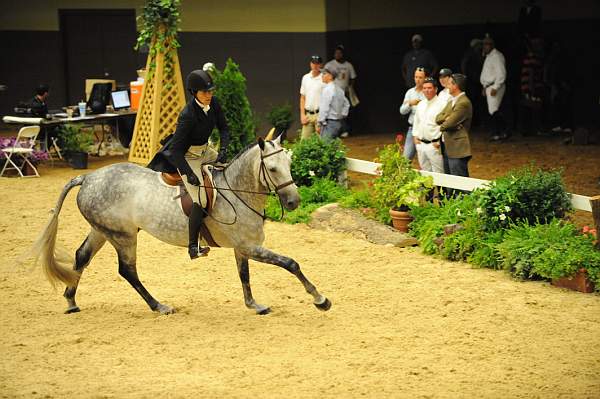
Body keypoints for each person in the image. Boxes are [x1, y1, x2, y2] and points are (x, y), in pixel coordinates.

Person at [147, 70, 229, 260]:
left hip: (205, 150)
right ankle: (193, 246)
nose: (209, 95)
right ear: (194, 93)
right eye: (205, 92)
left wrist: (223, 149)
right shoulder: (187, 115)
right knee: (199, 200)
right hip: (188, 156)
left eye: (211, 91)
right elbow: (176, 151)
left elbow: (224, 128)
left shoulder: (213, 103)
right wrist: (188, 173)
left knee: (228, 171)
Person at [436, 74, 473, 177]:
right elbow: (438, 118)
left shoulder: (463, 102)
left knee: (459, 180)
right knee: (450, 179)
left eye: (449, 83)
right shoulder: (452, 100)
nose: (447, 85)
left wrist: (446, 122)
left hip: (457, 148)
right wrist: (447, 119)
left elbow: (446, 125)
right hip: (447, 145)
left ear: (455, 85)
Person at [413, 78, 446, 173]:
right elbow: (417, 121)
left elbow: (445, 124)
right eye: (424, 88)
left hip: (434, 145)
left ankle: (442, 188)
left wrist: (439, 141)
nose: (426, 90)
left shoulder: (442, 104)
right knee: (425, 173)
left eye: (429, 88)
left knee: (439, 174)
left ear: (435, 89)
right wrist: (415, 136)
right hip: (420, 144)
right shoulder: (421, 104)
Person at [324, 45, 357, 138]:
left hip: (344, 92)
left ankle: (345, 130)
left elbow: (353, 77)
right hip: (332, 93)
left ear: (342, 54)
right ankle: (338, 130)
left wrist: (349, 87)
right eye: (336, 53)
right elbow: (324, 76)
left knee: (345, 110)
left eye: (339, 53)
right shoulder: (330, 65)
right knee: (333, 112)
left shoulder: (348, 65)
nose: (337, 55)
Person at [480, 35, 508, 141]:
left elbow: (501, 73)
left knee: (494, 110)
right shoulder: (489, 56)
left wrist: (496, 87)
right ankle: (500, 132)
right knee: (492, 110)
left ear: (491, 45)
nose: (484, 47)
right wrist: (484, 86)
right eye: (483, 44)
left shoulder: (497, 56)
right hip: (488, 86)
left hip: (495, 86)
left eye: (486, 44)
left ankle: (501, 131)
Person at [399, 67, 426, 160]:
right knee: (406, 158)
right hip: (412, 128)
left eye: (420, 77)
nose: (417, 80)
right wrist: (410, 103)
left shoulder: (429, 92)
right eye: (416, 77)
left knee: (426, 159)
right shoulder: (410, 92)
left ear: (425, 78)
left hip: (425, 130)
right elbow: (402, 111)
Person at [317, 67, 349, 141]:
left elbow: (324, 108)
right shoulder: (339, 89)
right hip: (337, 122)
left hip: (329, 123)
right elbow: (346, 104)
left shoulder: (327, 90)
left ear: (330, 76)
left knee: (325, 147)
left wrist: (320, 122)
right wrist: (342, 115)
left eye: (324, 74)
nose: (322, 75)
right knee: (332, 147)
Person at [299, 55, 324, 139]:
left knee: (322, 143)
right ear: (310, 64)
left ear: (321, 65)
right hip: (308, 115)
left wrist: (322, 117)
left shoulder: (324, 78)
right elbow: (302, 97)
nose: (315, 65)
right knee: (304, 143)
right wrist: (302, 115)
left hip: (320, 114)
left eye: (317, 63)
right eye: (313, 63)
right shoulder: (305, 78)